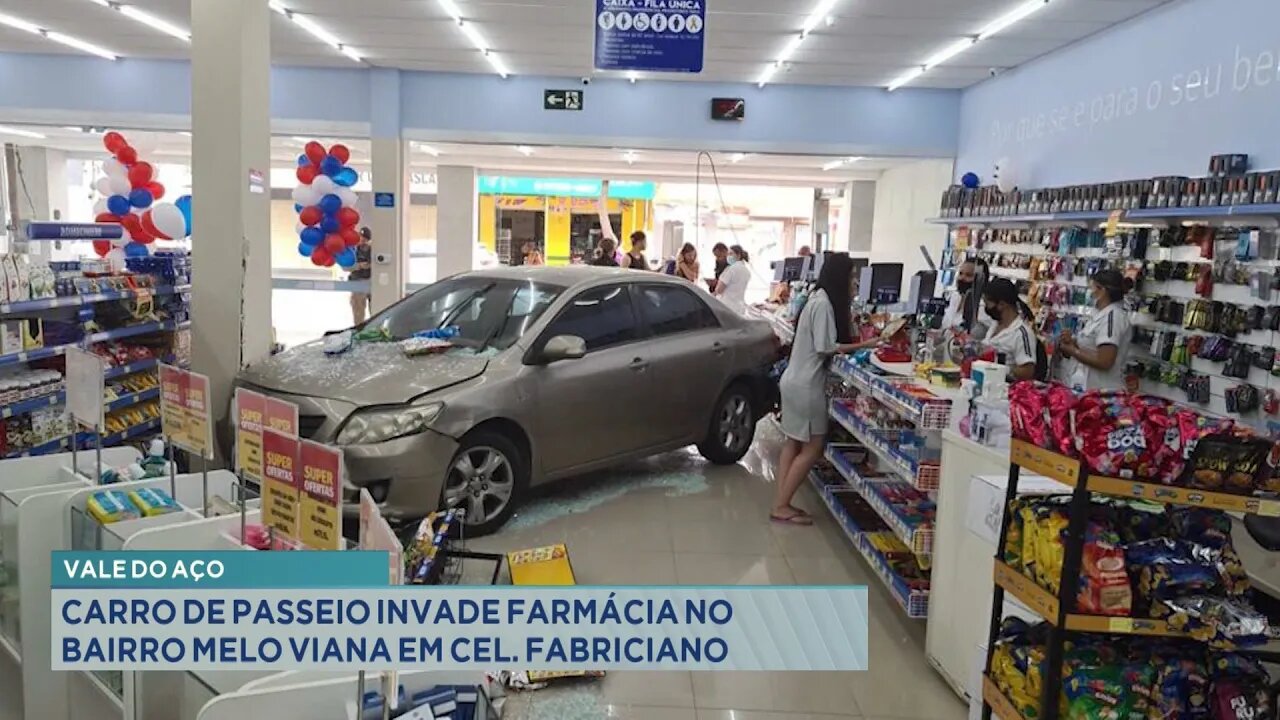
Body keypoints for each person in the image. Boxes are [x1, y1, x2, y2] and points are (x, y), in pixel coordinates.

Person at [772, 253, 882, 525]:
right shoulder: (823, 305)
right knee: (813, 447)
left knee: (793, 442)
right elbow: (826, 346)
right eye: (852, 276)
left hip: (793, 381)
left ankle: (781, 501)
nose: (854, 281)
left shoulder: (815, 299)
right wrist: (866, 345)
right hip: (806, 386)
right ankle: (782, 505)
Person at [1059, 269, 1133, 391]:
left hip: (1104, 393)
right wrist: (1073, 343)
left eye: (1092, 288)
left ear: (1102, 290)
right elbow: (1091, 348)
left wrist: (1073, 351)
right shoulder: (1099, 315)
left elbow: (1105, 361)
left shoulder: (1113, 317)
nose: (1090, 293)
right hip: (1086, 389)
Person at [979, 278, 1042, 381]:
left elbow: (1028, 371)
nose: (986, 307)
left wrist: (1002, 368)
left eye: (988, 303)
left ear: (1002, 305)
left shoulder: (1022, 333)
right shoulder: (995, 324)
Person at [943, 257, 989, 331]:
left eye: (968, 275)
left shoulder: (983, 307)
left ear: (980, 279)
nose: (962, 278)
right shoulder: (955, 297)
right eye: (960, 273)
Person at [714, 245, 752, 316]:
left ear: (738, 255)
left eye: (731, 254)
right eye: (728, 254)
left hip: (727, 306)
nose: (728, 256)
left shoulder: (731, 269)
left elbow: (719, 290)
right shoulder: (746, 271)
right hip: (739, 307)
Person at [349, 226, 373, 325]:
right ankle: (359, 330)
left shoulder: (373, 250)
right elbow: (347, 266)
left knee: (376, 310)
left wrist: (370, 265)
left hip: (371, 282)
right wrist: (359, 266)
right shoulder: (353, 250)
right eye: (360, 238)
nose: (362, 241)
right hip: (357, 282)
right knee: (358, 313)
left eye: (364, 239)